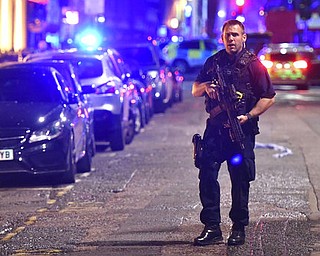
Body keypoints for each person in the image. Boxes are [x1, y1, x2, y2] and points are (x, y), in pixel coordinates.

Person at [192, 19, 276, 246]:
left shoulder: (254, 65)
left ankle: (238, 228)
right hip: (216, 130)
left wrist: (249, 115)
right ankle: (212, 227)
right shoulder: (213, 62)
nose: (231, 39)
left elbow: (269, 96)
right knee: (207, 173)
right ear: (222, 37)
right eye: (228, 35)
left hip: (241, 131)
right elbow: (195, 89)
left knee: (240, 179)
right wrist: (207, 87)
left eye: (235, 35)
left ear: (244, 37)